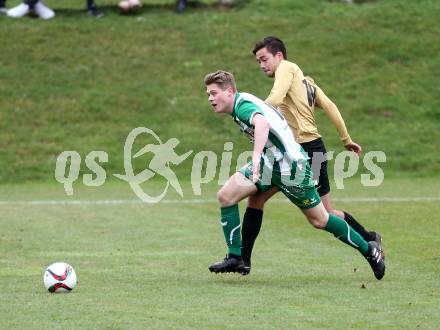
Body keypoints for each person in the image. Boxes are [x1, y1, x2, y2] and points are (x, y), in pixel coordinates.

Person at [204, 70, 385, 280]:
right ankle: (236, 257)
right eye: (208, 94)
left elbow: (261, 123)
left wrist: (254, 159)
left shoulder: (242, 106)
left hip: (291, 168)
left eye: (214, 93)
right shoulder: (241, 102)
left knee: (320, 219)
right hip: (270, 163)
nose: (210, 98)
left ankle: (370, 251)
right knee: (226, 196)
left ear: (230, 92)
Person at [239, 36, 384, 274]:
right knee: (256, 199)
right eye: (258, 61)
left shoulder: (286, 68)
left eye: (264, 59)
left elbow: (274, 99)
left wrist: (255, 117)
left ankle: (369, 244)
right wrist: (346, 139)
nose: (262, 65)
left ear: (279, 56)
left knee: (322, 217)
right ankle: (243, 260)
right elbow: (330, 106)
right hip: (296, 151)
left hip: (305, 152)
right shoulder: (307, 84)